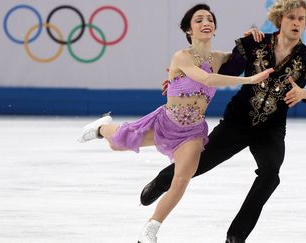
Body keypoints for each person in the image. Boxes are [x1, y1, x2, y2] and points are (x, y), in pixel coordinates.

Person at [139, 0, 306, 242]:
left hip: (271, 130)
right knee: (197, 164)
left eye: (301, 19)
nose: (296, 23)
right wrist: (179, 81)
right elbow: (222, 71)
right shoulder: (255, 43)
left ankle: (236, 235)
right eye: (291, 17)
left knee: (270, 174)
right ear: (279, 20)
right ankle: (162, 181)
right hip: (237, 122)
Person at [77, 4, 273, 243]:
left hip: (192, 133)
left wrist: (250, 36)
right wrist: (250, 79)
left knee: (181, 180)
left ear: (214, 28)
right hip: (165, 124)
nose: (205, 22)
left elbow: (243, 53)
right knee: (117, 142)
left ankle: (151, 229)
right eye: (198, 19)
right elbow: (207, 78)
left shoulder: (219, 58)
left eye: (209, 19)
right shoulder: (182, 56)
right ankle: (101, 128)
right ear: (188, 30)